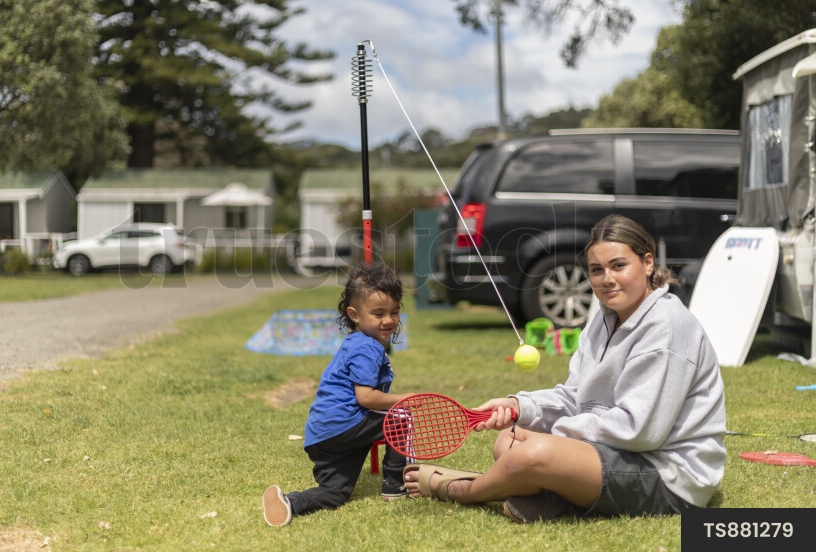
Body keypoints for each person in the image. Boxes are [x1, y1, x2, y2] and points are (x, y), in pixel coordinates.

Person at [403, 214, 727, 523]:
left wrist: (557, 437)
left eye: (619, 266)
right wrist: (518, 406)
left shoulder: (666, 327)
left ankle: (467, 489)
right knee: (509, 439)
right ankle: (548, 491)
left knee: (535, 452)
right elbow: (575, 396)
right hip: (617, 454)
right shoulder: (603, 318)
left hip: (670, 476)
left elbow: (639, 431)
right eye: (597, 270)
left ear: (647, 262)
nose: (607, 279)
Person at [263, 261, 415, 527]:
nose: (389, 320)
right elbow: (366, 398)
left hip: (321, 435)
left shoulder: (355, 342)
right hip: (344, 425)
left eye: (395, 311)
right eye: (378, 314)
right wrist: (405, 398)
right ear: (354, 314)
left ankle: (290, 502)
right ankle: (395, 483)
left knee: (335, 492)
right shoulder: (367, 348)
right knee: (402, 415)